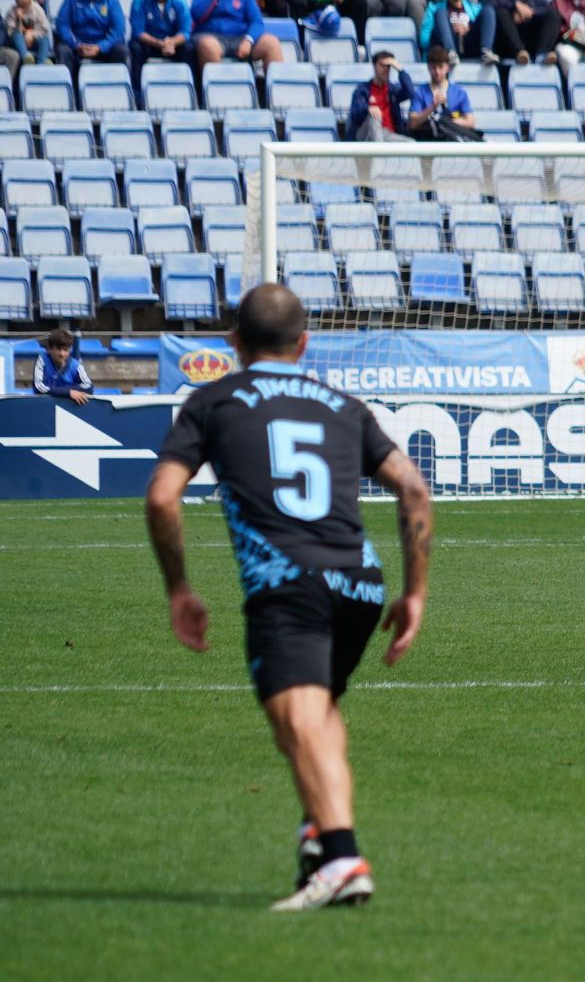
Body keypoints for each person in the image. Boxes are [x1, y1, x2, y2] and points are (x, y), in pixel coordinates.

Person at [144, 283, 433, 913]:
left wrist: (179, 589)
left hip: (287, 585)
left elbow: (163, 496)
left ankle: (341, 856)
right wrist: (415, 595)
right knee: (314, 720)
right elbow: (414, 490)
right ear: (305, 343)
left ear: (233, 344)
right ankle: (317, 837)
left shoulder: (213, 400)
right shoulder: (341, 404)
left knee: (300, 722)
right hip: (361, 585)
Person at [192, 0, 284, 69]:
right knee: (207, 45)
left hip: (240, 38)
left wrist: (248, 40)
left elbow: (257, 22)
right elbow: (196, 15)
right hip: (212, 38)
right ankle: (217, 86)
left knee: (271, 43)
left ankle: (273, 86)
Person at [55, 0, 128, 75]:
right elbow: (62, 26)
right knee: (63, 50)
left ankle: (116, 85)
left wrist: (101, 47)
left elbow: (118, 30)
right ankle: (69, 90)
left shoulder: (112, 0)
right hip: (78, 46)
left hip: (104, 47)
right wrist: (77, 45)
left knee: (121, 50)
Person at [489, 0, 560, 65]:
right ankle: (520, 53)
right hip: (507, 47)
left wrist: (530, 13)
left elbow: (548, 9)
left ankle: (541, 55)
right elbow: (489, 6)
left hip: (531, 42)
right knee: (501, 13)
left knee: (554, 15)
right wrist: (515, 6)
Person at [421, 0, 495, 64]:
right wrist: (448, 29)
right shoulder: (433, 8)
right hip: (443, 47)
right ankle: (450, 52)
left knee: (488, 10)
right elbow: (424, 40)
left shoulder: (475, 8)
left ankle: (486, 52)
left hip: (469, 44)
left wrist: (469, 28)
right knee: (441, 13)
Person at [130, 0, 191, 83]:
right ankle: (137, 92)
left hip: (172, 44)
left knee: (189, 48)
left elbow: (185, 31)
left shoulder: (179, 0)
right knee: (135, 47)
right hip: (150, 43)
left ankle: (192, 90)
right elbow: (138, 31)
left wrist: (172, 42)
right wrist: (158, 43)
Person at [347, 48, 415, 140]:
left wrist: (400, 69)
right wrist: (368, 109)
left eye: (389, 66)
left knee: (411, 144)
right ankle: (379, 153)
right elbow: (356, 113)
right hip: (366, 134)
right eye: (382, 65)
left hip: (388, 135)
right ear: (374, 66)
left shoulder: (392, 90)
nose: (386, 69)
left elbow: (410, 92)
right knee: (374, 116)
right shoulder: (362, 89)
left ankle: (381, 149)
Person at [409, 43, 474, 133]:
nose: (437, 72)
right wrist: (432, 107)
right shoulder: (420, 92)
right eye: (433, 68)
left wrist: (445, 122)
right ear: (428, 67)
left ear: (447, 67)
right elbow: (413, 124)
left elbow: (470, 122)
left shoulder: (459, 92)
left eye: (440, 67)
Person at [32, 328, 92, 403]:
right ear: (49, 349)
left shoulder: (76, 365)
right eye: (58, 349)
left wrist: (64, 391)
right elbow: (39, 387)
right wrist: (68, 392)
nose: (62, 354)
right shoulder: (42, 360)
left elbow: (88, 386)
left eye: (65, 349)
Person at [5, 0, 51, 65]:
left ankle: (41, 62)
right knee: (16, 35)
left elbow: (44, 29)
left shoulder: (38, 10)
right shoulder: (11, 12)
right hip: (17, 44)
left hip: (33, 42)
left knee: (45, 40)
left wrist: (32, 34)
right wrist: (19, 20)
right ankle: (26, 58)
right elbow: (10, 32)